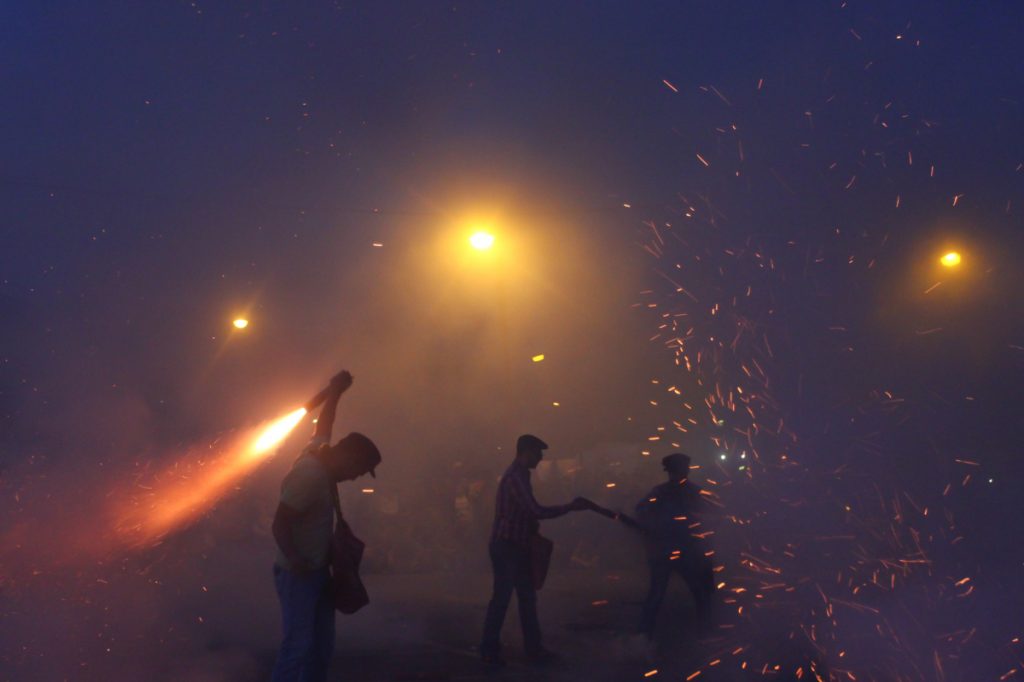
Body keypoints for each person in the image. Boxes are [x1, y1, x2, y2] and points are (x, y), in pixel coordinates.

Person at [271, 370, 382, 682]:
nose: (357, 477)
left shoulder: (320, 454)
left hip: (316, 571)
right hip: (298, 574)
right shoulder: (311, 475)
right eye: (360, 470)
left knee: (321, 647)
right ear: (347, 458)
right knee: (298, 645)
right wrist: (295, 558)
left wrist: (335, 393)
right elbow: (280, 523)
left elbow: (324, 424)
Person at [479, 434, 592, 667]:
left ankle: (530, 649)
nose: (541, 458)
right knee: (504, 599)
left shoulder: (520, 475)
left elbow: (526, 514)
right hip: (507, 546)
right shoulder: (515, 478)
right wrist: (569, 507)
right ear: (526, 452)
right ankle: (491, 650)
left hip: (515, 546)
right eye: (538, 453)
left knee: (525, 599)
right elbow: (534, 511)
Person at [635, 453, 715, 639]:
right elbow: (642, 513)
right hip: (672, 551)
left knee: (693, 592)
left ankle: (643, 636)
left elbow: (711, 516)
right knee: (665, 594)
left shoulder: (667, 492)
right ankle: (643, 637)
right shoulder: (668, 493)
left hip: (676, 551)